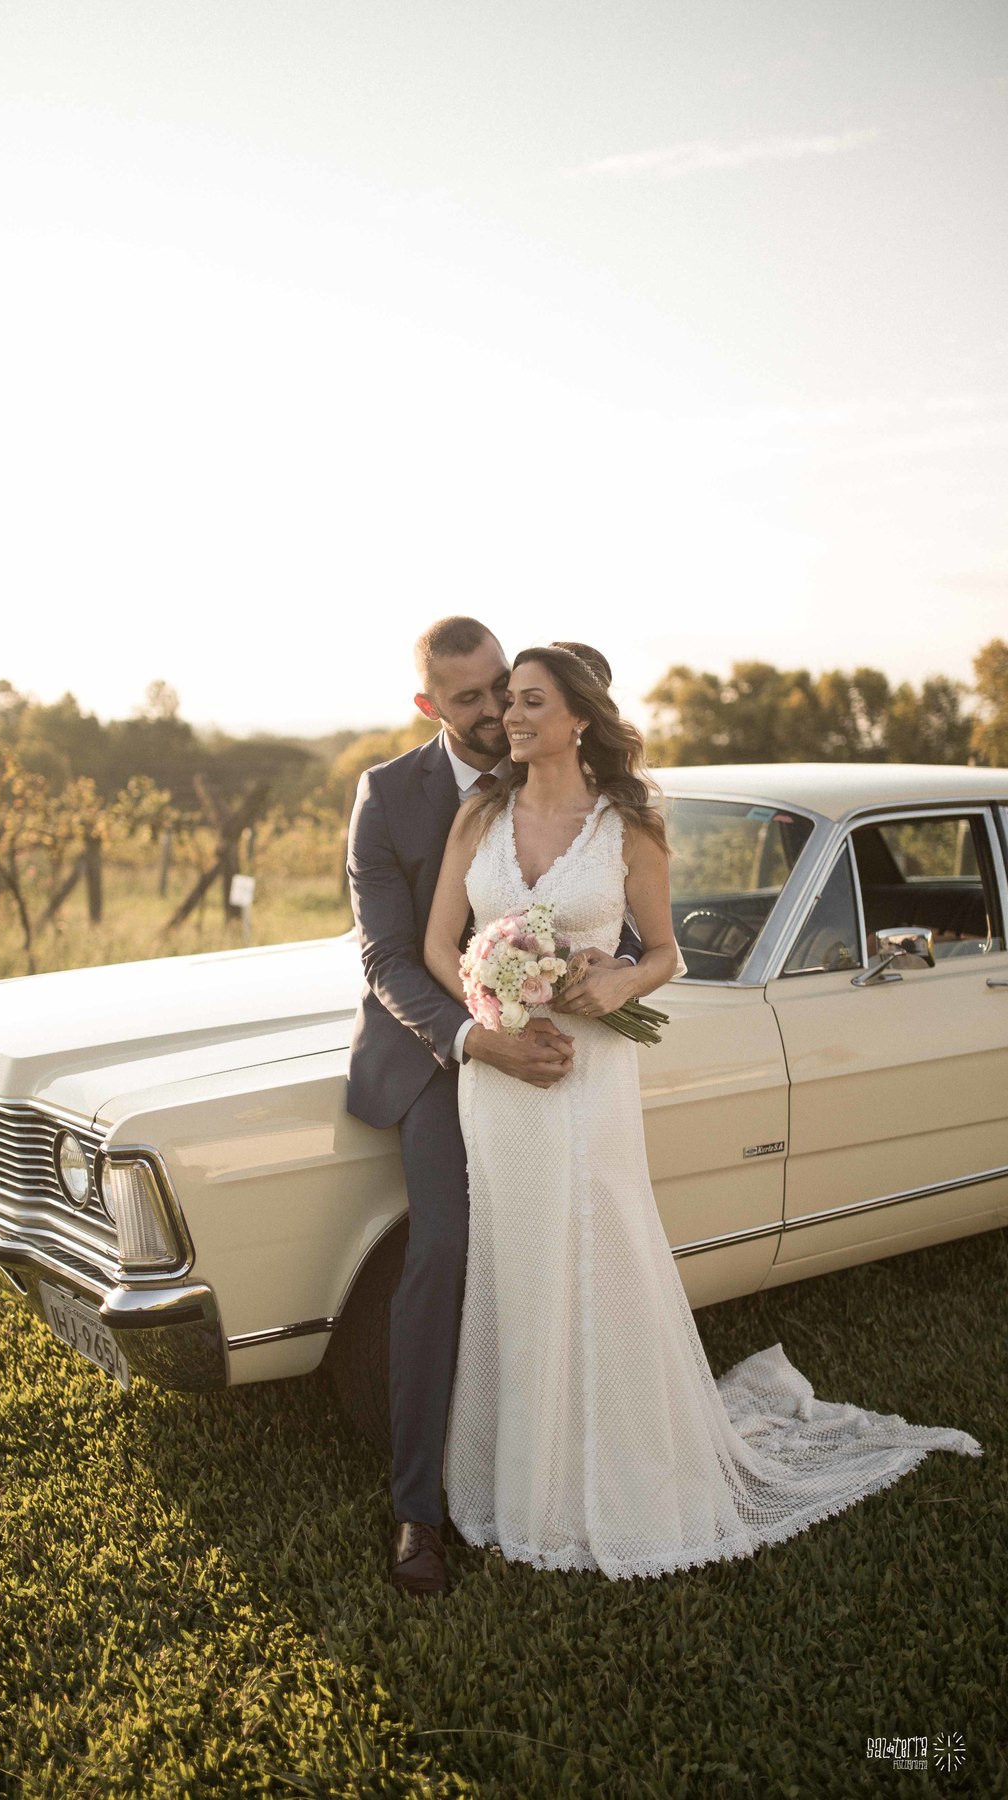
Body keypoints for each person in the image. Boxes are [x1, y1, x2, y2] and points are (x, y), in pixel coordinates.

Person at [423, 643, 983, 1578]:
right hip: (500, 1077)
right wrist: (489, 1013)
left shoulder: (629, 822)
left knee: (597, 1254)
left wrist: (616, 986)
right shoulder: (480, 811)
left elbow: (666, 953)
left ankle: (619, 1481)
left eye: (529, 703)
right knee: (516, 1261)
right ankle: (522, 1483)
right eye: (508, 703)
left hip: (589, 1070)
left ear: (578, 718)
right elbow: (442, 944)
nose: (509, 719)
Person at [345, 618, 643, 1595]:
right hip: (443, 1054)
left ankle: (564, 1453)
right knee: (442, 1248)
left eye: (501, 691)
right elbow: (392, 958)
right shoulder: (390, 797)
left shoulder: (555, 774)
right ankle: (418, 1512)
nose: (491, 714)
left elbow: (627, 920)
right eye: (468, 700)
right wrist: (483, 1037)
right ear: (431, 705)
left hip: (561, 1048)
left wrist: (613, 976)